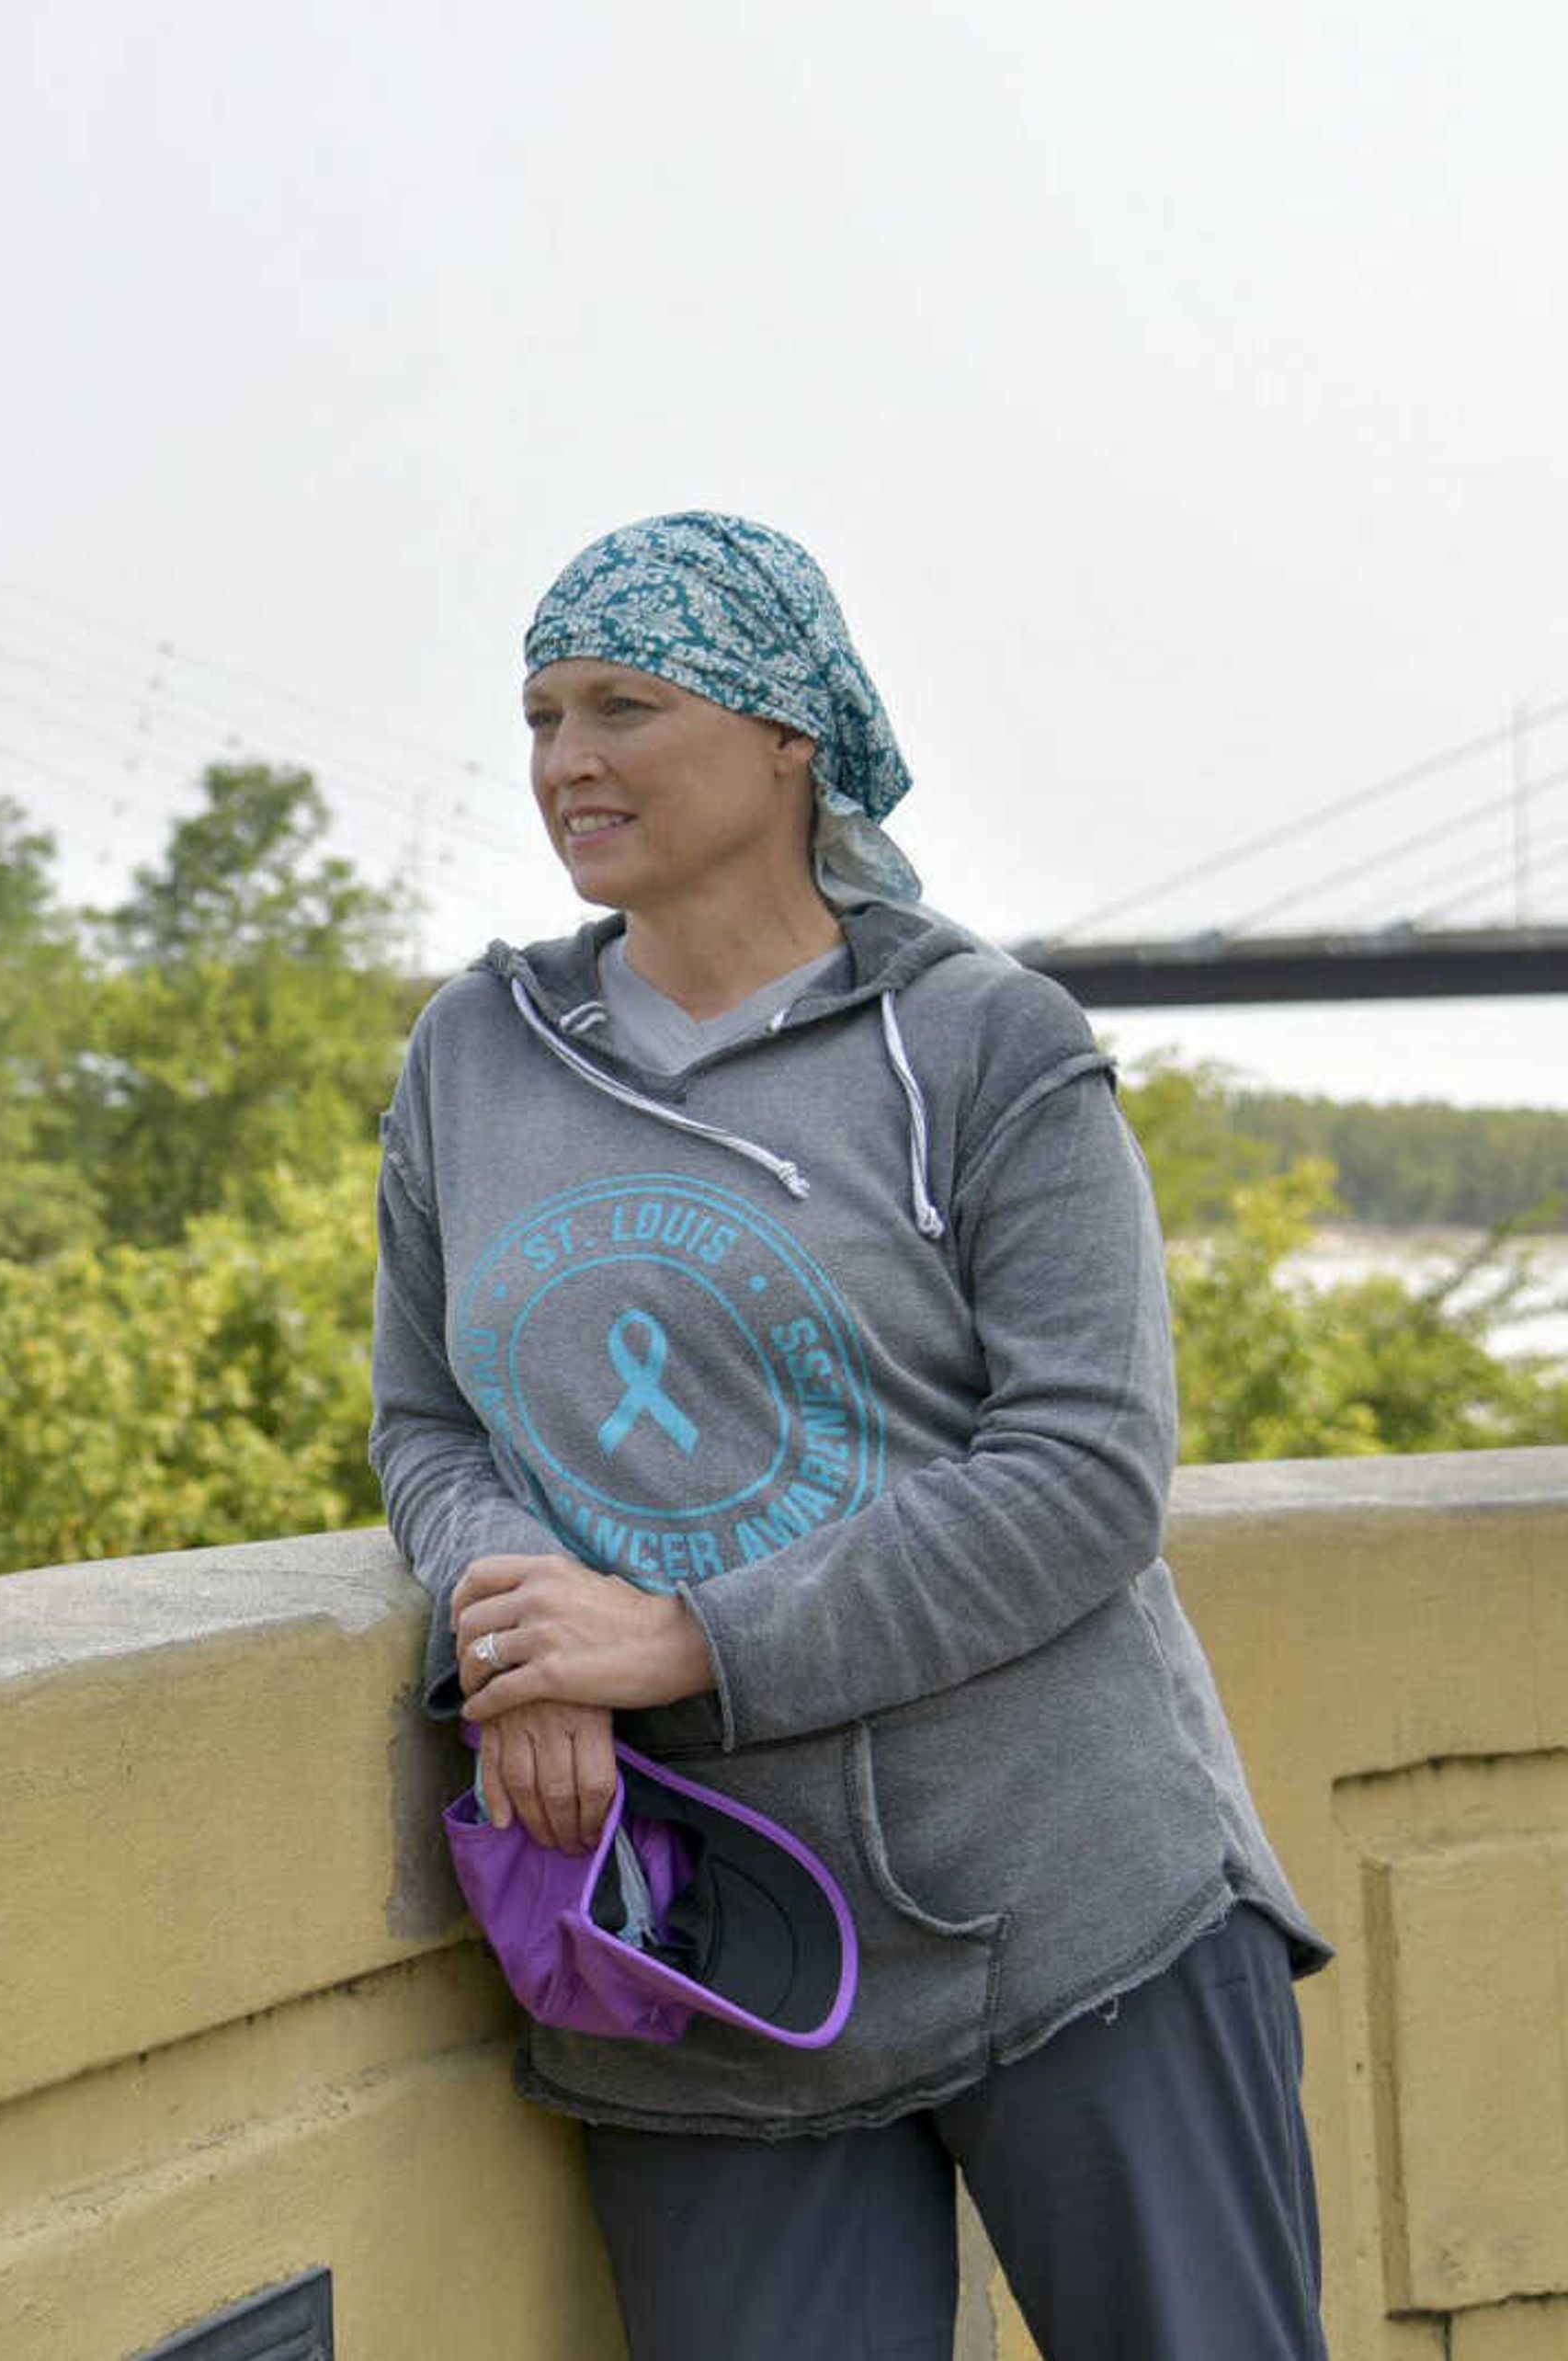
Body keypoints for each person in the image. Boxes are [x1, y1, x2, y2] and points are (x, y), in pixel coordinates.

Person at [366, 512, 1333, 2359]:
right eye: (542, 715)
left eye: (625, 707)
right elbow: (430, 1416)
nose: (570, 761)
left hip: (1072, 1911)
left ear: (789, 733)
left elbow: (1085, 1473)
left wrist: (682, 1640)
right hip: (710, 1954)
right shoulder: (475, 1058)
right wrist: (514, 1615)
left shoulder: (986, 1046)